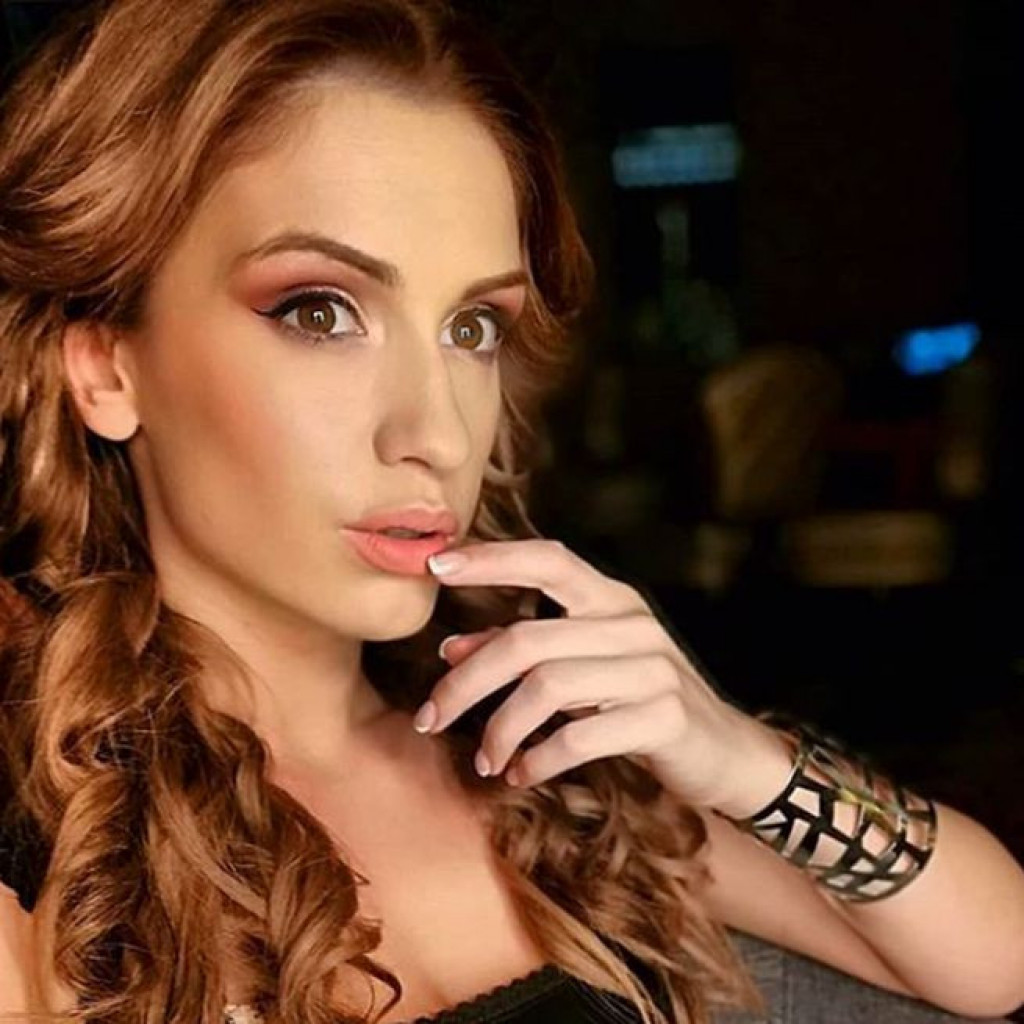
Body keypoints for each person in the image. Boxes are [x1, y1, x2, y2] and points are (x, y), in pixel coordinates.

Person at [0, 1, 1021, 1022]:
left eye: (473, 327)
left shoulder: (541, 757)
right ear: (105, 366)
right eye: (319, 312)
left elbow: (1000, 953)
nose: (439, 433)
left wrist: (734, 754)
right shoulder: (49, 856)